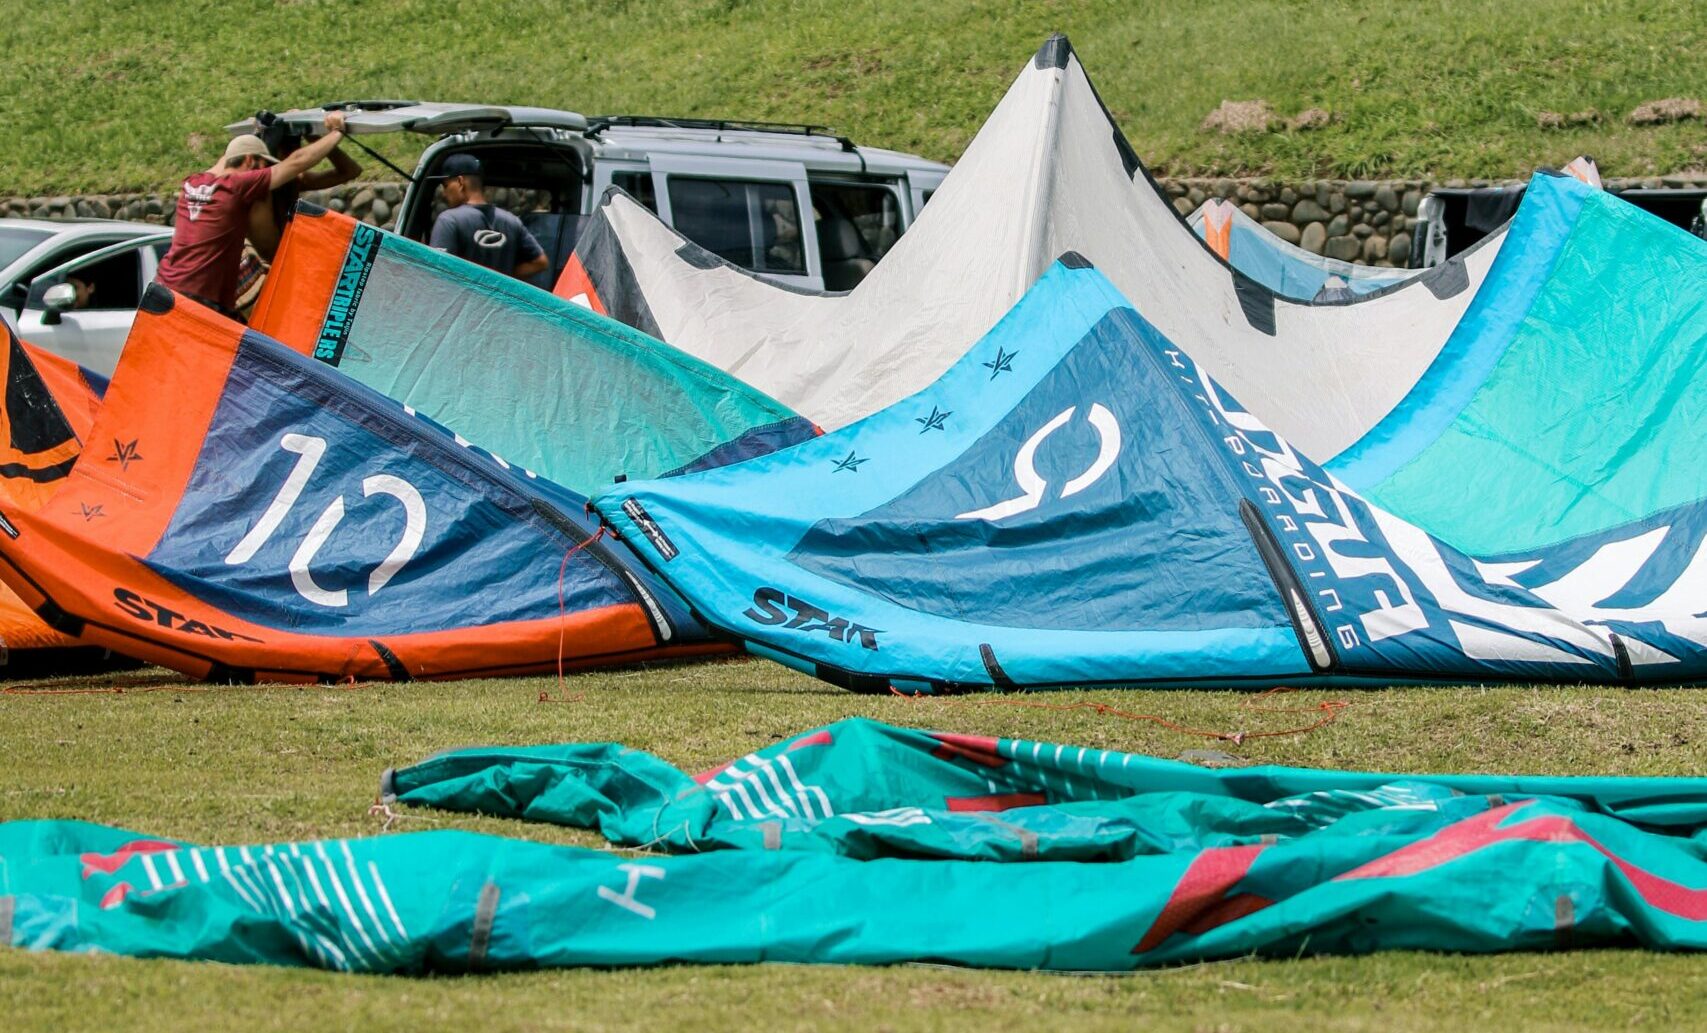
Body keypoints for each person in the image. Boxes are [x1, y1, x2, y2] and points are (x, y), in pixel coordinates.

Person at [154, 112, 350, 320]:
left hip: (163, 289)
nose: (264, 171)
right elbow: (296, 163)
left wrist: (255, 135)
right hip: (200, 299)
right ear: (249, 160)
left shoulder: (191, 183)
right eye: (263, 165)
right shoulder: (238, 186)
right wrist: (337, 132)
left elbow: (227, 160)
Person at [426, 154, 549, 280]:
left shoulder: (449, 220)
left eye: (446, 186)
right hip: (498, 299)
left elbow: (437, 271)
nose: (445, 193)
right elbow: (541, 262)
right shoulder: (512, 221)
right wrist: (501, 279)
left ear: (460, 182)